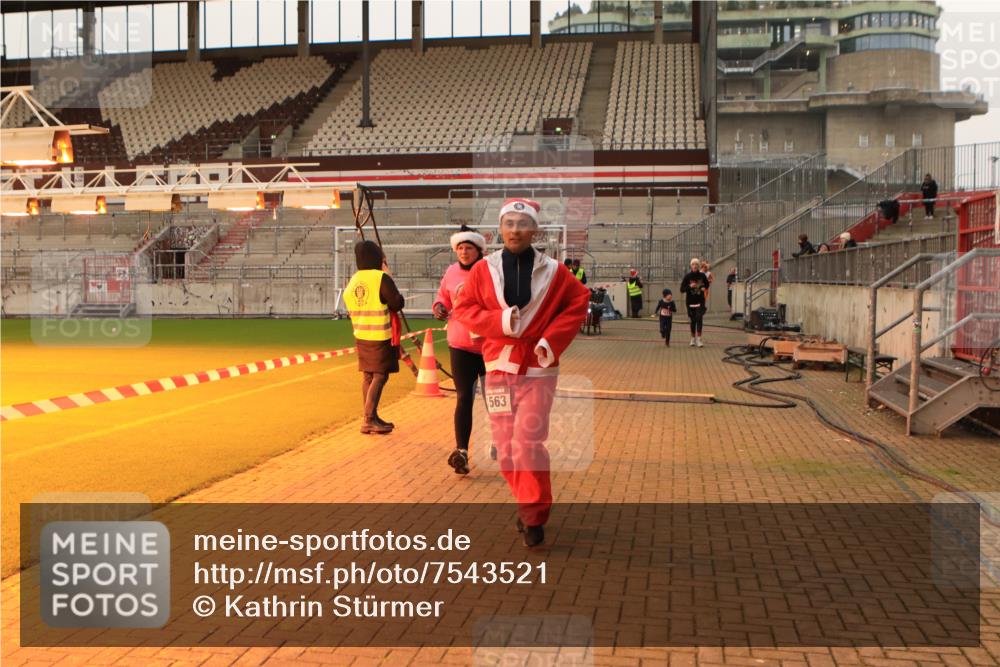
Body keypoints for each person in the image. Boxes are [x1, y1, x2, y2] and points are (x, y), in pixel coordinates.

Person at [451, 198, 590, 548]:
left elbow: (579, 302)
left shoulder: (556, 272)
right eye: (508, 223)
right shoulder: (484, 270)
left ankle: (534, 515)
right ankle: (525, 502)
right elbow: (464, 307)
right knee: (506, 447)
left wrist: (551, 341)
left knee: (528, 443)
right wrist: (500, 322)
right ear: (500, 228)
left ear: (535, 229)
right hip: (498, 367)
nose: (515, 230)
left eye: (522, 223)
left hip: (537, 369)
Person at [432, 225, 488, 475]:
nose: (464, 252)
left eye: (469, 248)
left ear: (479, 250)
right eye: (460, 248)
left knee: (496, 401)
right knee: (464, 398)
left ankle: (503, 442)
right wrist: (439, 307)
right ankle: (461, 452)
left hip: (490, 345)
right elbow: (443, 295)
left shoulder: (491, 270)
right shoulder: (451, 271)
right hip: (460, 344)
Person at [343, 240, 404, 434]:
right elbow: (397, 302)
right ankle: (369, 419)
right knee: (380, 375)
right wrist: (388, 275)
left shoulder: (354, 280)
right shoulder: (380, 278)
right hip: (380, 334)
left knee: (368, 375)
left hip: (361, 333)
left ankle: (372, 416)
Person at [680, 257, 709, 348]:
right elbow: (682, 289)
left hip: (700, 302)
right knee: (693, 321)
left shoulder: (702, 275)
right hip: (690, 302)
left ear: (698, 266)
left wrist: (704, 287)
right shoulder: (687, 276)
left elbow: (707, 284)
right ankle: (692, 338)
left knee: (699, 319)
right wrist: (689, 286)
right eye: (693, 264)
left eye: (696, 264)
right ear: (691, 266)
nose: (695, 266)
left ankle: (699, 339)